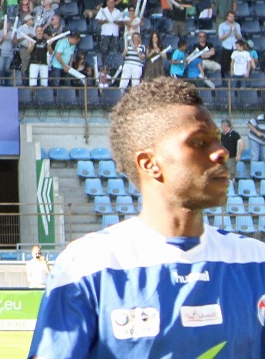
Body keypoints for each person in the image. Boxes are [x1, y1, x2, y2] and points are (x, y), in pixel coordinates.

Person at [29, 77, 265, 358]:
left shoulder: (255, 262)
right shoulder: (88, 265)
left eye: (217, 138)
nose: (221, 152)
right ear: (149, 163)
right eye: (200, 142)